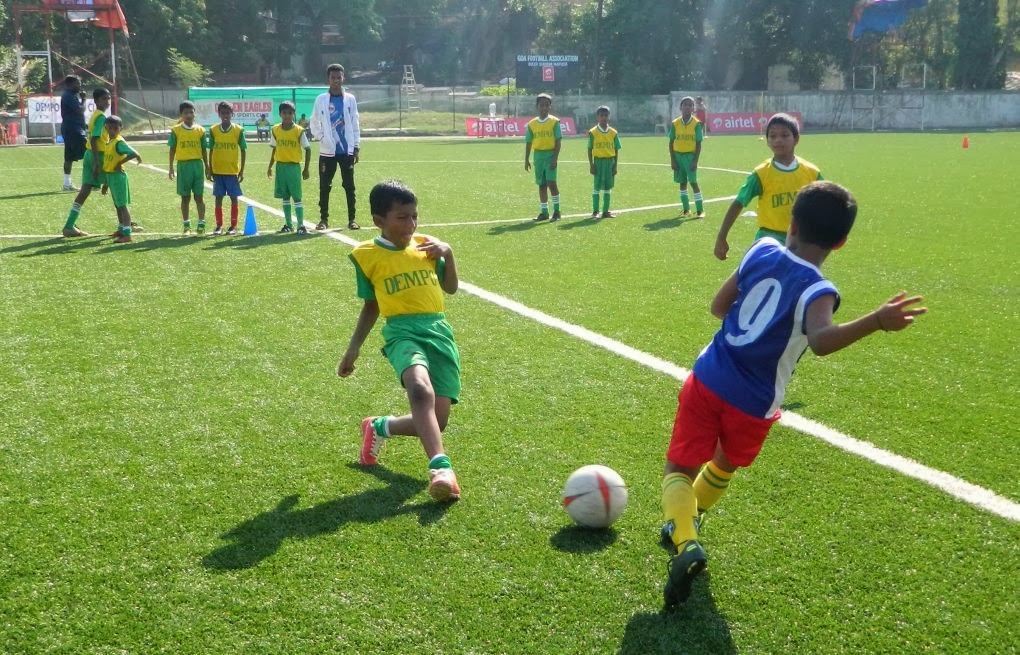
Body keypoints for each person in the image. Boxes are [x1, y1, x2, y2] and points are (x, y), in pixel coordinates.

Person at [658, 181, 927, 610]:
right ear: (840, 242)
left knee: (680, 465)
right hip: (755, 402)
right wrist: (876, 320)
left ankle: (684, 537)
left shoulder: (760, 251)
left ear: (792, 223)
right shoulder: (819, 289)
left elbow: (718, 306)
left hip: (709, 377)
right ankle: (693, 519)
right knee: (724, 463)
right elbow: (821, 341)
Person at [337, 179, 463, 502]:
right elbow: (372, 304)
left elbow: (450, 288)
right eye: (402, 217)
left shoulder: (426, 247)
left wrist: (448, 252)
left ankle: (380, 427)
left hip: (438, 331)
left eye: (414, 216)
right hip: (401, 333)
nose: (411, 224)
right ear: (379, 220)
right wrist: (354, 348)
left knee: (439, 420)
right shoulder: (367, 256)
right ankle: (441, 468)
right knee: (420, 389)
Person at [714, 113, 822, 261]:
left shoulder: (812, 172)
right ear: (767, 141)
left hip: (801, 241)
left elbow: (827, 202)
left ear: (796, 139)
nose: (778, 140)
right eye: (772, 136)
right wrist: (722, 236)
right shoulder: (761, 173)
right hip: (768, 240)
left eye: (784, 135)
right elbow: (739, 203)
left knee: (796, 282)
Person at [310, 63, 362, 231]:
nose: (336, 81)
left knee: (349, 185)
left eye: (339, 77)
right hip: (327, 152)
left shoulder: (350, 99)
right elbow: (314, 122)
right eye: (333, 78)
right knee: (325, 186)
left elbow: (355, 123)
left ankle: (352, 219)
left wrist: (356, 146)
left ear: (343, 78)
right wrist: (322, 137)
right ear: (328, 79)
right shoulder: (321, 99)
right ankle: (323, 220)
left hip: (346, 151)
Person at [62, 87, 112, 237]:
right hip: (99, 155)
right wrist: (97, 162)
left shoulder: (96, 115)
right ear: (96, 101)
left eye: (108, 98)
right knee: (117, 186)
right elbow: (96, 139)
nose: (107, 101)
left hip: (90, 154)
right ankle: (126, 225)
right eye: (104, 99)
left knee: (85, 191)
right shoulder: (102, 118)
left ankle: (69, 225)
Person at [266, 101, 311, 233]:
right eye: (284, 113)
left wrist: (306, 168)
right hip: (280, 167)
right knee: (285, 197)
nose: (287, 115)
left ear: (293, 114)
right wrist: (270, 167)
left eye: (290, 113)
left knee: (296, 196)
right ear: (280, 114)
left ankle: (301, 225)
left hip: (293, 167)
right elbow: (274, 149)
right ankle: (288, 224)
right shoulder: (275, 130)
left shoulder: (298, 131)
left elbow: (308, 149)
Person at [206, 101, 247, 235]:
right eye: (222, 113)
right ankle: (219, 225)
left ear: (232, 114)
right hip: (218, 171)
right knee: (218, 198)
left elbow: (243, 150)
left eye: (227, 113)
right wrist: (209, 167)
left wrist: (241, 170)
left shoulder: (238, 130)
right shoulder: (213, 130)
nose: (225, 115)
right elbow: (211, 150)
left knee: (234, 197)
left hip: (231, 171)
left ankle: (233, 226)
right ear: (219, 114)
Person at [168, 101, 209, 235]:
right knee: (185, 198)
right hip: (183, 166)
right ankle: (186, 226)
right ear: (181, 115)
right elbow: (172, 149)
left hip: (197, 165)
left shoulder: (201, 130)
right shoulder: (176, 130)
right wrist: (171, 168)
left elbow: (204, 150)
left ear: (194, 113)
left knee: (199, 197)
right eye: (186, 113)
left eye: (191, 112)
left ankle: (201, 223)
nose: (189, 115)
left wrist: (207, 167)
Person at [100, 115, 143, 244]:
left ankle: (127, 234)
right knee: (118, 205)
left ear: (120, 129)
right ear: (106, 128)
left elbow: (134, 153)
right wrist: (106, 184)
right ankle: (121, 229)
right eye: (110, 128)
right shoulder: (109, 142)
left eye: (115, 128)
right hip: (111, 177)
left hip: (118, 177)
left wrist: (120, 163)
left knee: (122, 206)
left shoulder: (119, 142)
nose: (112, 130)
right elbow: (108, 165)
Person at [524, 93, 562, 222]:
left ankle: (557, 211)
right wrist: (526, 159)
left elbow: (558, 142)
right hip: (538, 156)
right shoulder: (532, 124)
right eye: (541, 105)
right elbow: (529, 142)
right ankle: (544, 212)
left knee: (552, 183)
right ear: (537, 107)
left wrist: (555, 159)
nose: (544, 108)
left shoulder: (554, 122)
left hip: (550, 154)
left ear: (550, 107)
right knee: (541, 185)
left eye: (546, 105)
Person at [668, 96, 705, 219]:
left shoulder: (696, 124)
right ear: (680, 107)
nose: (687, 107)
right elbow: (671, 142)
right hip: (678, 156)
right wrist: (673, 160)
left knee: (693, 182)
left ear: (693, 108)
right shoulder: (675, 123)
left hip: (690, 156)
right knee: (682, 183)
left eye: (690, 105)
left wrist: (695, 161)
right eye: (685, 105)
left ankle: (700, 210)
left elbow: (699, 143)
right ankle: (686, 210)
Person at [586, 105, 621, 219]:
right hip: (598, 162)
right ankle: (595, 211)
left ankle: (605, 211)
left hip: (609, 162)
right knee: (596, 187)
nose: (604, 118)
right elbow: (589, 149)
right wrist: (591, 165)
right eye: (601, 115)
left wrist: (615, 166)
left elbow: (616, 150)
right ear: (598, 117)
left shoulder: (613, 133)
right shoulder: (593, 132)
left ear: (608, 117)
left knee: (607, 187)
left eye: (606, 115)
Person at [59, 75, 88, 192]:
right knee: (91, 151)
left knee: (69, 157)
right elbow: (80, 110)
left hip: (71, 128)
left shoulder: (70, 95)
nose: (79, 85)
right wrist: (84, 99)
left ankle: (67, 184)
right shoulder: (68, 95)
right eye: (77, 83)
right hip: (73, 129)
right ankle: (93, 181)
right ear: (70, 84)